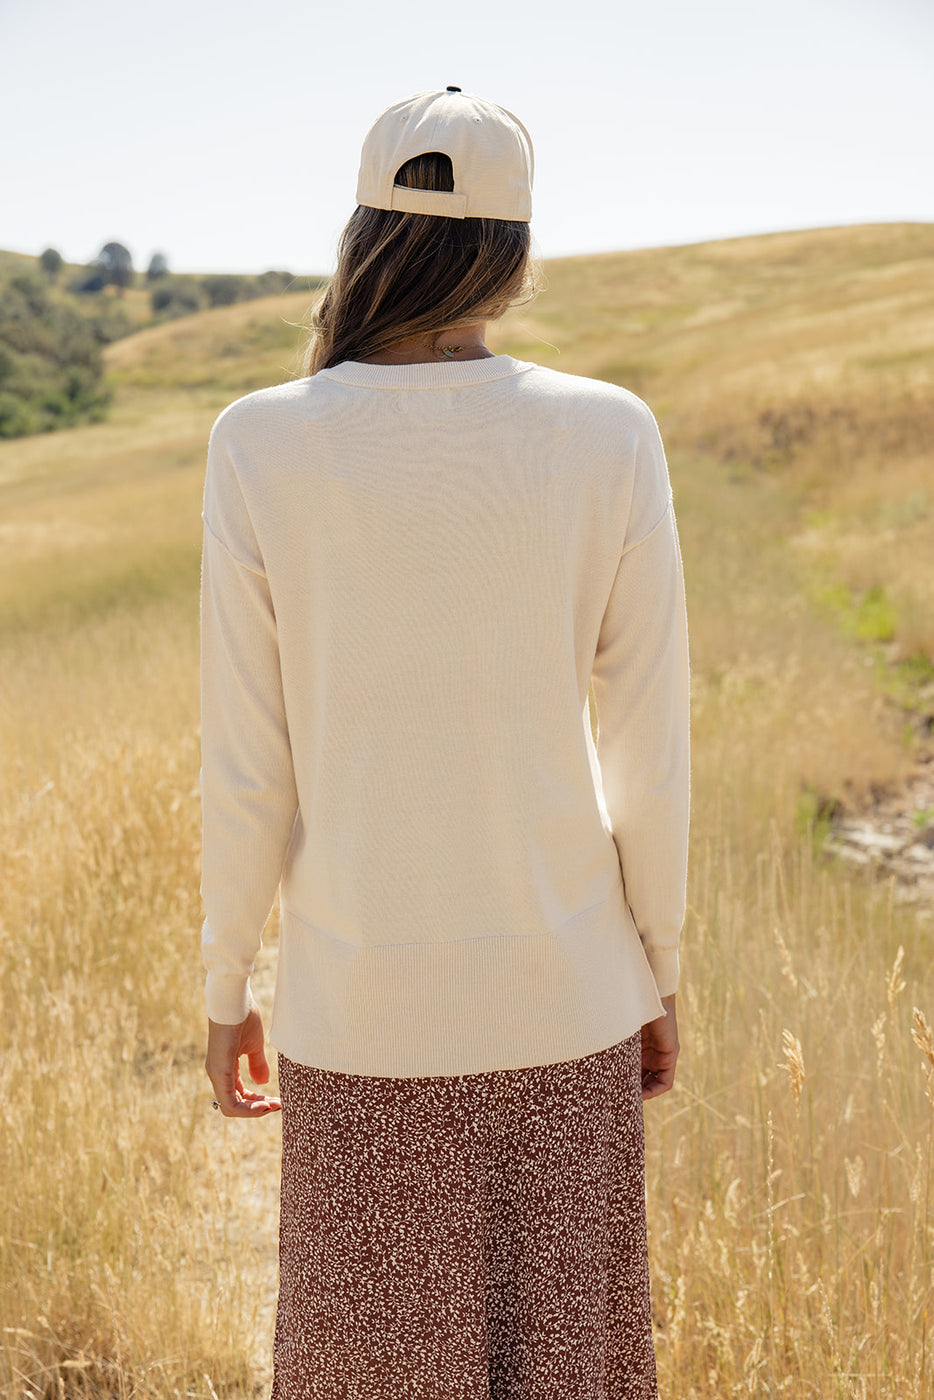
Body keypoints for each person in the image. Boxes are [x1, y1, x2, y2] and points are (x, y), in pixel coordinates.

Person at [201, 86, 689, 1400]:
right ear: (515, 256)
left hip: (357, 1022)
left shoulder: (259, 443)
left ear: (364, 230)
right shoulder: (606, 432)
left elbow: (249, 763)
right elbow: (649, 745)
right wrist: (658, 966)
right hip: (571, 999)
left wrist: (223, 988)